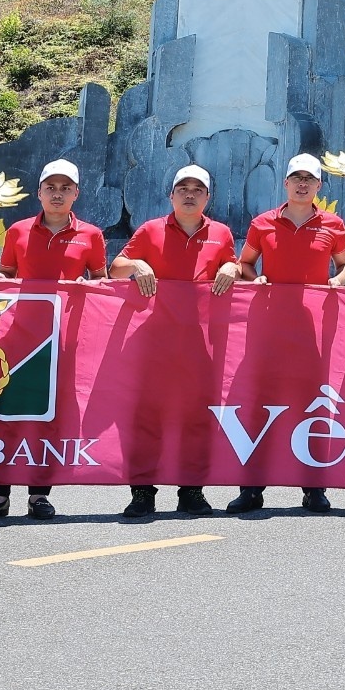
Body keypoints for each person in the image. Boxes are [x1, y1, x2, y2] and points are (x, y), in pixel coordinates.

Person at [216, 153, 345, 515]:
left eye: (310, 179)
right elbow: (245, 262)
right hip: (269, 327)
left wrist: (337, 283)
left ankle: (314, 487)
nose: (302, 184)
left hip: (312, 330)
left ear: (319, 186)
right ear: (286, 184)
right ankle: (251, 488)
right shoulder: (263, 223)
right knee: (261, 405)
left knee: (312, 404)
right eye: (296, 178)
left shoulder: (334, 225)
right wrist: (253, 277)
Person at [0, 157, 105, 522]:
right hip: (18, 337)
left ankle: (39, 496)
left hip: (62, 339)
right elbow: (7, 273)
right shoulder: (17, 231)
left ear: (76, 193)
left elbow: (101, 280)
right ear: (39, 192)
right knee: (5, 413)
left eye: (66, 188)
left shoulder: (91, 235)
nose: (58, 194)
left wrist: (88, 285)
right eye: (51, 188)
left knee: (48, 417)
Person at [108, 164, 236, 518]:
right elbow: (114, 267)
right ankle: (142, 490)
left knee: (196, 417)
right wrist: (137, 264)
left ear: (208, 197)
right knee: (148, 417)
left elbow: (234, 267)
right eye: (183, 188)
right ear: (172, 195)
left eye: (198, 189)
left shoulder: (221, 233)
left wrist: (232, 268)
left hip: (200, 345)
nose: (190, 194)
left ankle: (191, 489)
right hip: (154, 342)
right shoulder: (150, 230)